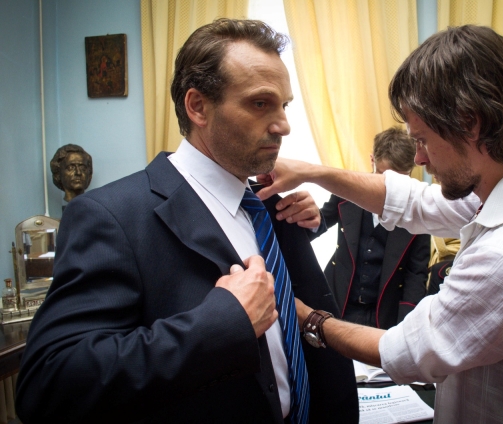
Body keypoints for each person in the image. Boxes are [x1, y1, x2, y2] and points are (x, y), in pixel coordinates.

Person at [16, 18, 358, 424]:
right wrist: (222, 322)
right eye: (260, 103)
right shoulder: (112, 217)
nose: (283, 124)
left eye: (284, 105)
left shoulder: (269, 208)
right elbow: (50, 383)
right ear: (197, 106)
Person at [257, 25, 503, 423]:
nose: (419, 159)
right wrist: (313, 172)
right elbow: (416, 202)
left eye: (421, 140)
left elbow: (406, 351)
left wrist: (302, 314)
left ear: (470, 124)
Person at [309, 127, 430, 329]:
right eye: (383, 176)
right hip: (338, 301)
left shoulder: (420, 209)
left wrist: (406, 325)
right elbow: (318, 223)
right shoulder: (349, 188)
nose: (390, 188)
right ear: (372, 160)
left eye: (400, 180)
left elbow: (416, 273)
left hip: (384, 315)